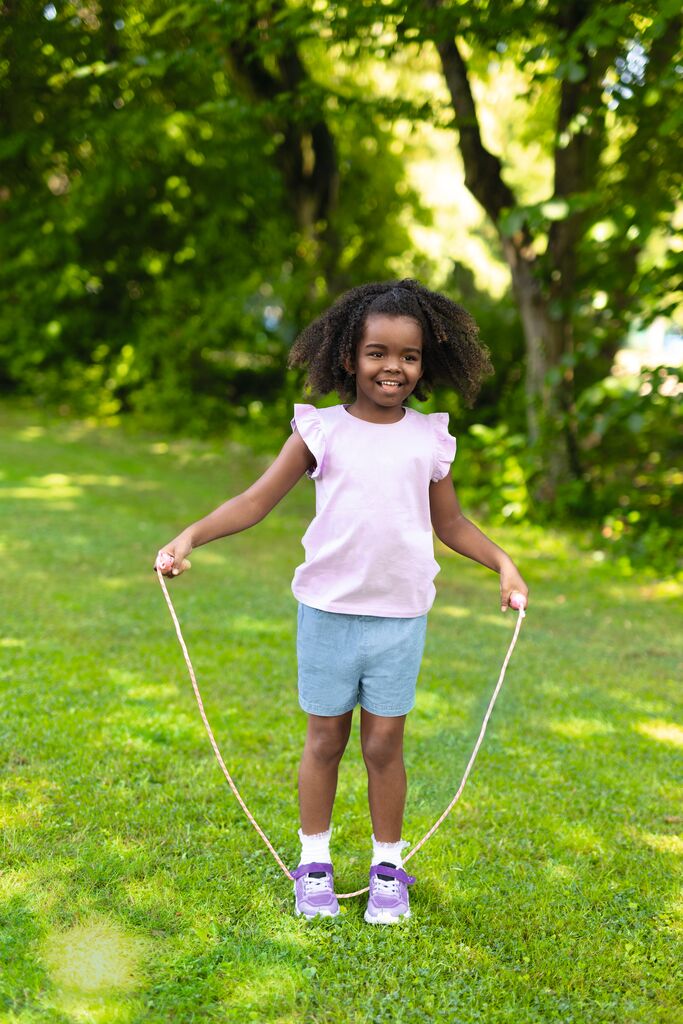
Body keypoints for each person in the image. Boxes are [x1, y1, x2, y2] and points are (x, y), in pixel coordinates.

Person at [154, 278, 529, 925]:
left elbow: (452, 525)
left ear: (424, 363)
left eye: (408, 356)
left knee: (384, 744)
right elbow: (254, 501)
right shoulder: (319, 430)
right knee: (325, 739)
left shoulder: (428, 439)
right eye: (377, 352)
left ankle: (387, 869)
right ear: (348, 357)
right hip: (327, 612)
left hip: (399, 617)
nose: (393, 368)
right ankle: (314, 865)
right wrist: (188, 536)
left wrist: (502, 562)